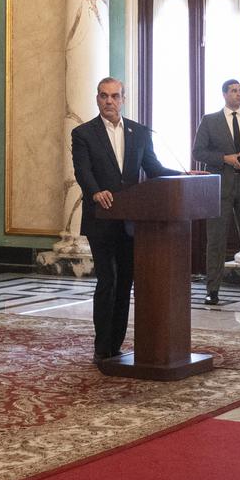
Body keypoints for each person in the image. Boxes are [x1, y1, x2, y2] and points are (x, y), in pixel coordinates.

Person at [72, 77, 181, 367]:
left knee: (125, 283)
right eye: (104, 96)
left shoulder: (139, 132)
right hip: (102, 218)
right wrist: (96, 192)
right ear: (97, 99)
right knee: (108, 279)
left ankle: (116, 346)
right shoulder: (83, 133)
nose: (109, 101)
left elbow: (154, 169)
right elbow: (83, 171)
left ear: (123, 99)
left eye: (115, 96)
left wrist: (185, 175)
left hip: (133, 221)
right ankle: (101, 346)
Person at [193, 79, 240, 306]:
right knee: (216, 239)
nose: (238, 94)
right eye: (234, 91)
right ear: (224, 94)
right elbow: (198, 151)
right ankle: (213, 289)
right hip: (220, 187)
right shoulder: (210, 121)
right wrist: (223, 159)